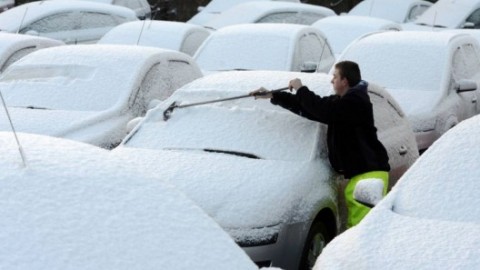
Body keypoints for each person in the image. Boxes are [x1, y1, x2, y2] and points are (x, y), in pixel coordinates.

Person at [251, 61, 390, 228]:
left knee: (364, 229)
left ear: (344, 80)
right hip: (363, 172)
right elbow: (310, 109)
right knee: (358, 226)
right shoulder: (343, 101)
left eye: (335, 77)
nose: (332, 80)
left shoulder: (355, 102)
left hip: (369, 175)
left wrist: (301, 88)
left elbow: (322, 109)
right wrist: (273, 95)